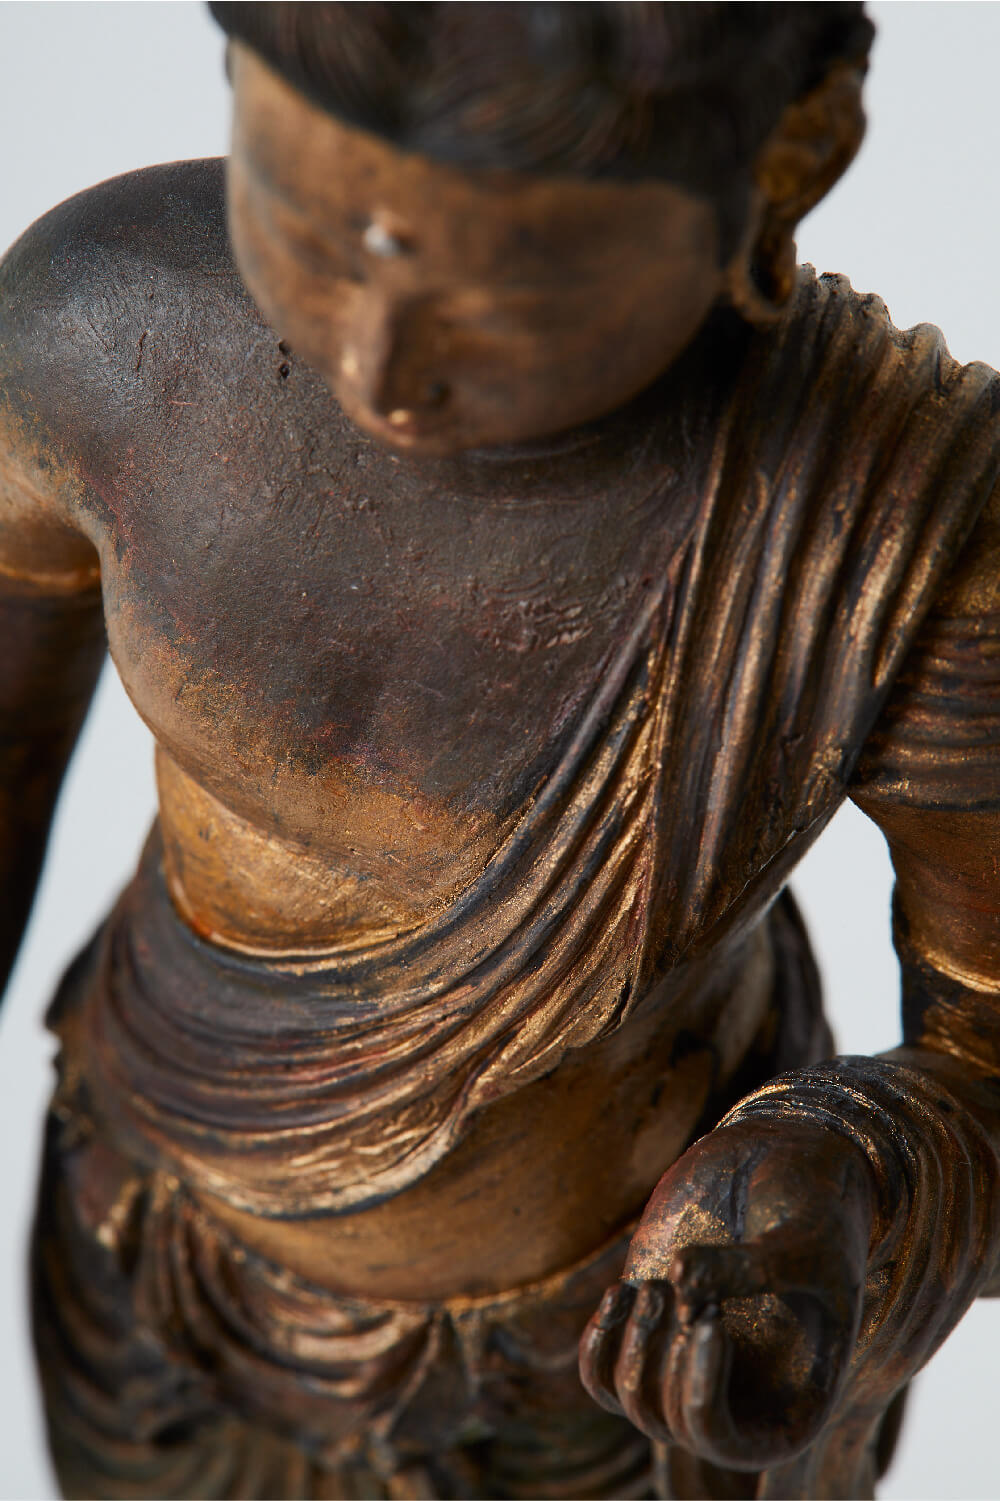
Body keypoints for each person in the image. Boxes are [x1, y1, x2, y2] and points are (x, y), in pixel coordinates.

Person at [3, 3, 1000, 1496]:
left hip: (615, 1357)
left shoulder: (901, 533)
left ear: (790, 159)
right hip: (153, 1246)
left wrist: (838, 1179)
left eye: (504, 298)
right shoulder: (96, 337)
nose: (380, 365)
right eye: (305, 235)